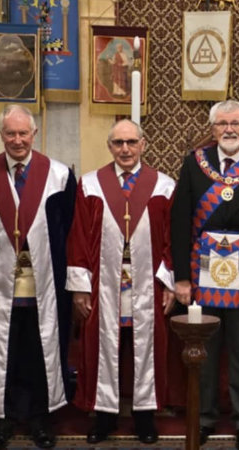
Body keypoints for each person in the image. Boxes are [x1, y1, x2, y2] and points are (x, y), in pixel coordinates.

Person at [170, 99, 239, 450]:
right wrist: (182, 278)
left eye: (236, 123)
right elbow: (180, 221)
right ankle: (203, 417)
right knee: (203, 352)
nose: (229, 129)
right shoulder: (194, 164)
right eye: (222, 124)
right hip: (203, 278)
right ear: (213, 129)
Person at [0, 104, 75, 449]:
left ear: (34, 134)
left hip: (47, 285)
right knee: (3, 353)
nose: (17, 140)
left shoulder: (59, 175)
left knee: (39, 351)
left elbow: (70, 229)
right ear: (0, 135)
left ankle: (41, 419)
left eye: (23, 133)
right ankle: (3, 419)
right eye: (10, 133)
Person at [67, 119, 174, 445]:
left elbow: (172, 237)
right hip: (103, 284)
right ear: (110, 146)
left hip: (146, 284)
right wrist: (81, 287)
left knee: (146, 350)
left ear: (143, 144)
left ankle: (144, 418)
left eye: (131, 142)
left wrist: (169, 282)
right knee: (102, 350)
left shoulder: (163, 185)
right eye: (118, 143)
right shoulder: (90, 185)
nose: (125, 149)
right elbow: (78, 238)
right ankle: (103, 417)